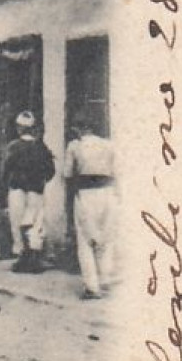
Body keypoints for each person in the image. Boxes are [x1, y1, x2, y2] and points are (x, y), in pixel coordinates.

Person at [64, 120, 117, 299]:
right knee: (106, 238)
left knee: (86, 241)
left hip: (86, 193)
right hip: (108, 192)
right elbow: (118, 171)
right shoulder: (109, 145)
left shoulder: (75, 146)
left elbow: (67, 173)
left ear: (81, 129)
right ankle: (106, 280)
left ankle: (92, 287)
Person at [3, 111, 56, 274]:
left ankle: (22, 257)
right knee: (35, 222)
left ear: (19, 128)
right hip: (35, 190)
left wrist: (6, 184)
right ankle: (34, 257)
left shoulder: (12, 147)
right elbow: (50, 171)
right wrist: (41, 180)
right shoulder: (41, 147)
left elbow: (5, 170)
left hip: (17, 190)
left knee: (17, 222)